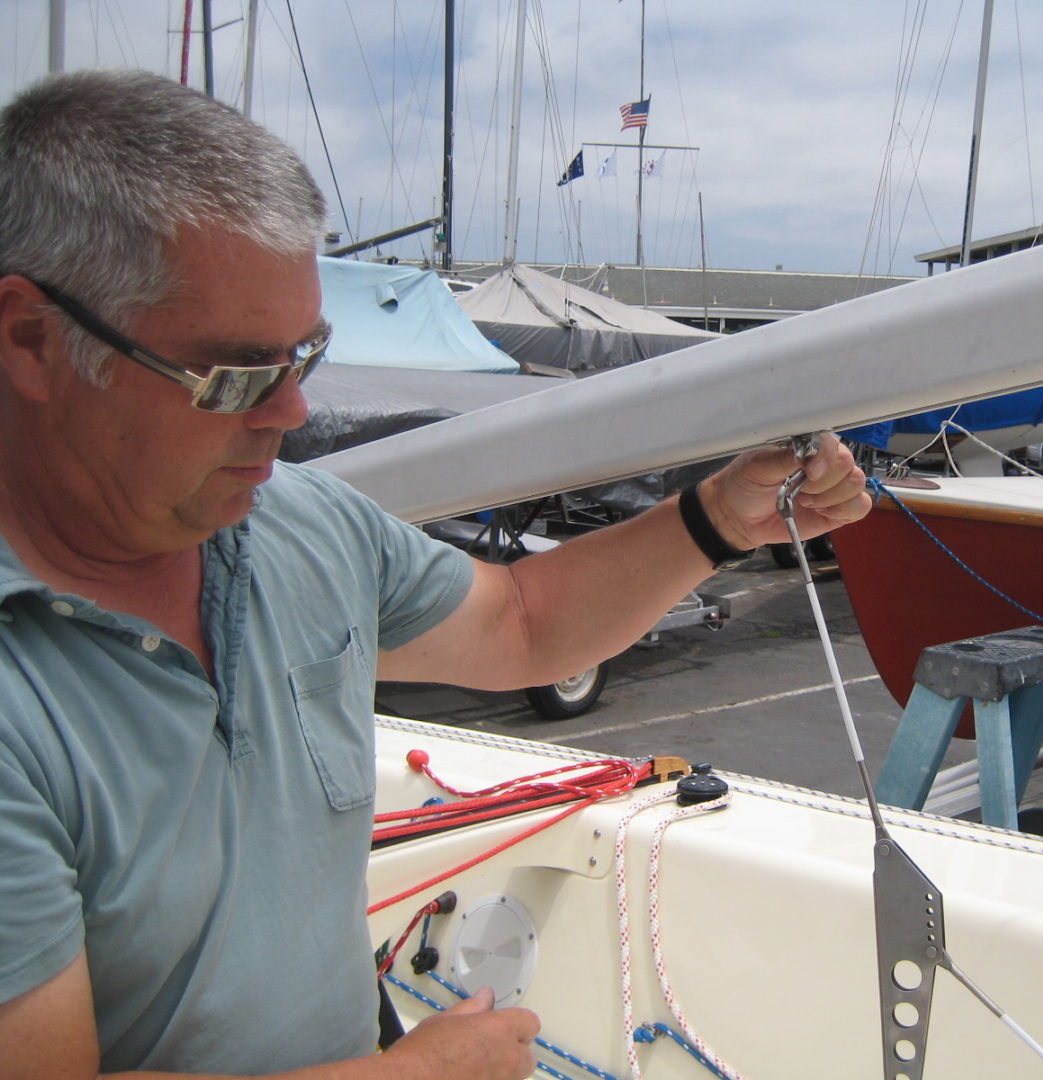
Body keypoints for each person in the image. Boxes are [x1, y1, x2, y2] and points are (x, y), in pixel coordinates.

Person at [0, 70, 871, 1080]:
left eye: (307, 355)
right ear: (30, 340)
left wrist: (715, 519)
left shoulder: (300, 523)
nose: (288, 416)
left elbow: (521, 622)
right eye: (235, 375)